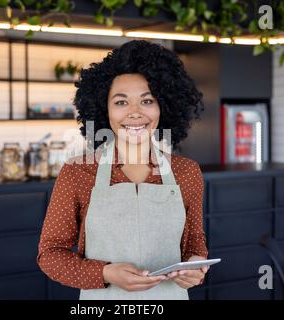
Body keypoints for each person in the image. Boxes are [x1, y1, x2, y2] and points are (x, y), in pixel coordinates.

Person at [37, 40, 208, 300]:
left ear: (164, 107)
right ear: (104, 110)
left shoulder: (187, 172)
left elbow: (195, 242)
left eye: (147, 100)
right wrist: (105, 273)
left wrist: (196, 266)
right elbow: (50, 255)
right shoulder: (77, 172)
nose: (135, 113)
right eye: (121, 102)